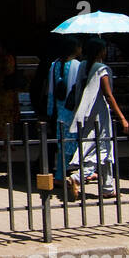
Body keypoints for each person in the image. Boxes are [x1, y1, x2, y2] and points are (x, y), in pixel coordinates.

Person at [67, 38, 129, 198]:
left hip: (85, 113)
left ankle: (107, 187)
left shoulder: (82, 66)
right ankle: (78, 177)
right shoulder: (101, 69)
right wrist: (122, 117)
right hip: (99, 114)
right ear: (100, 51)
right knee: (102, 148)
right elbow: (108, 95)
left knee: (100, 147)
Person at [46, 37, 81, 183]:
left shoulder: (54, 65)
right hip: (72, 110)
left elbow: (50, 91)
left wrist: (49, 111)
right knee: (73, 143)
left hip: (57, 110)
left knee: (62, 144)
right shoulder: (77, 65)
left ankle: (61, 174)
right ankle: (70, 175)